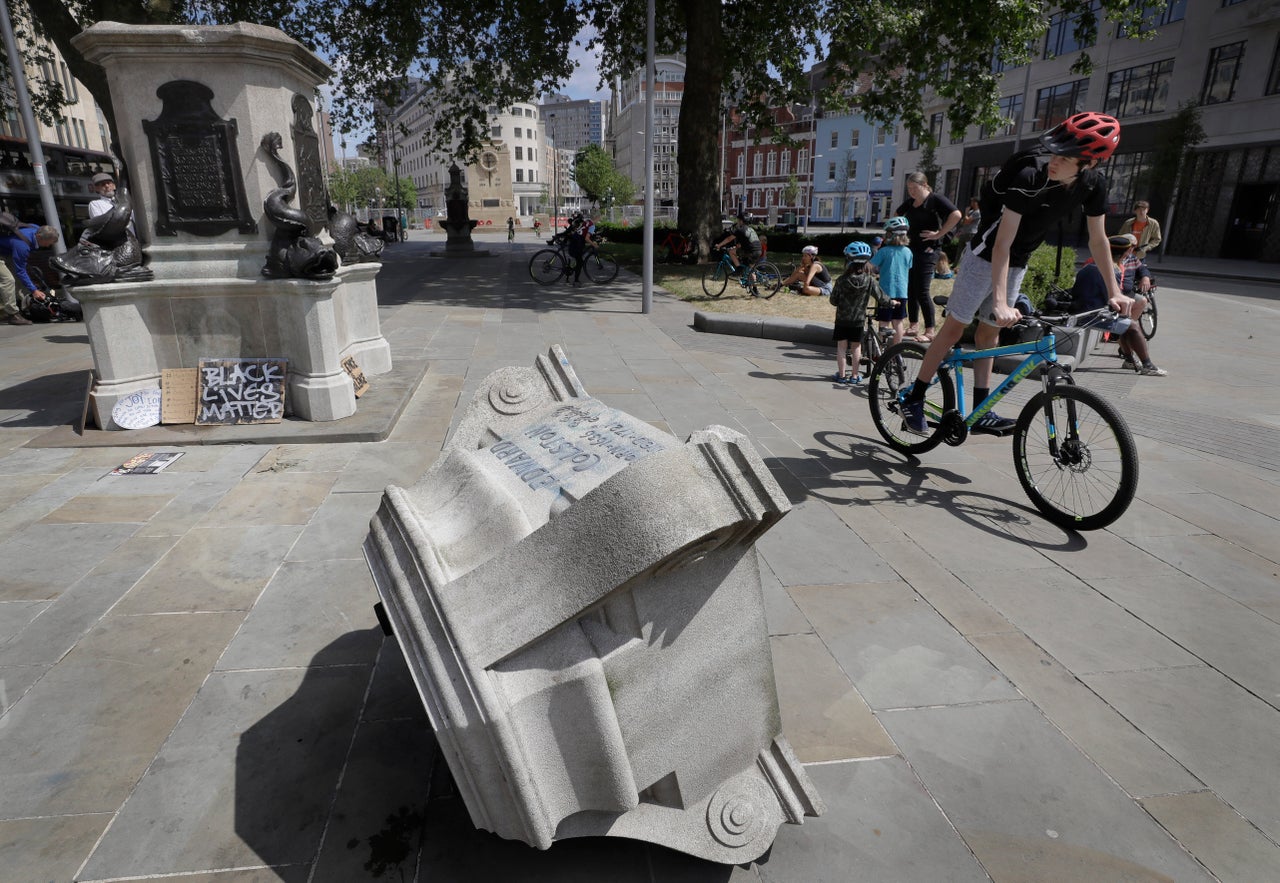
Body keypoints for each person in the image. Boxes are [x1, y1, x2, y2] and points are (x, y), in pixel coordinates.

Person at [901, 111, 1132, 436]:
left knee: (990, 334)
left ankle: (981, 409)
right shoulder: (1030, 176)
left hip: (1019, 258)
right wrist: (999, 300)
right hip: (985, 253)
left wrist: (1114, 290)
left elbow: (1097, 238)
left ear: (1089, 164)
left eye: (1065, 158)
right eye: (1054, 152)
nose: (1054, 161)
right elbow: (1001, 242)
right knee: (955, 329)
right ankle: (914, 398)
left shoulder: (1093, 185)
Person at [1071, 234, 1166, 376]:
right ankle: (1148, 365)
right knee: (1132, 325)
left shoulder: (1092, 264)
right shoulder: (1111, 271)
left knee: (1126, 324)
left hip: (1082, 310)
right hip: (1090, 315)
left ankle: (1129, 360)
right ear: (1123, 254)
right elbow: (1111, 300)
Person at [895, 171, 961, 342]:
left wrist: (940, 233)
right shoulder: (910, 203)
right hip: (911, 249)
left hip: (929, 250)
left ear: (924, 185)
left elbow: (956, 215)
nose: (911, 192)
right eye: (909, 188)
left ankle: (930, 330)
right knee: (910, 289)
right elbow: (896, 215)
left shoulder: (935, 200)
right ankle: (913, 324)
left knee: (922, 290)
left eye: (914, 188)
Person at [827, 240, 885, 385]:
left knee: (841, 347)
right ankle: (854, 376)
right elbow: (881, 297)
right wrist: (893, 302)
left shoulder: (841, 280)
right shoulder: (869, 281)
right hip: (858, 320)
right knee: (856, 347)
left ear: (848, 261)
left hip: (842, 319)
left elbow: (833, 300)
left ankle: (841, 375)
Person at [0, 221, 59, 325]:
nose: (49, 245)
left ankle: (21, 308)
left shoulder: (36, 228)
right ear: (41, 238)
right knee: (8, 280)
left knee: (17, 280)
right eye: (49, 243)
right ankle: (12, 315)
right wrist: (34, 291)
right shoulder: (22, 245)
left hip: (5, 252)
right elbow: (21, 271)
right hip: (4, 253)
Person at [869, 216, 912, 346]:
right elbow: (908, 267)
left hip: (885, 292)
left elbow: (870, 266)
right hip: (902, 292)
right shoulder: (908, 252)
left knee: (884, 321)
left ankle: (881, 348)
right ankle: (896, 350)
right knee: (898, 321)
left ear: (891, 235)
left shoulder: (884, 251)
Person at [715, 213, 763, 294]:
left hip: (750, 251)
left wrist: (719, 245)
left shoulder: (740, 230)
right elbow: (746, 242)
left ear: (741, 221)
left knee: (731, 251)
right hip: (758, 250)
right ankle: (755, 290)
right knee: (751, 270)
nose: (737, 222)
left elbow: (729, 238)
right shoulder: (750, 229)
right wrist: (737, 247)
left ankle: (738, 268)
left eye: (738, 220)